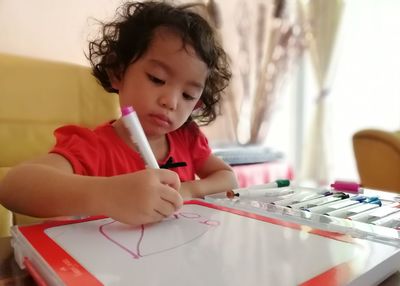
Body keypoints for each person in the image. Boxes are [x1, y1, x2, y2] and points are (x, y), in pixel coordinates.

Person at [0, 1, 238, 226]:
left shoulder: (187, 139)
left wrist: (188, 190)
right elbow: (12, 187)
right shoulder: (92, 148)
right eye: (157, 79)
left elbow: (228, 178)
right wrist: (109, 194)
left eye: (188, 95)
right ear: (117, 72)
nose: (171, 102)